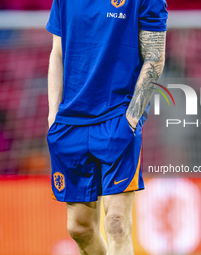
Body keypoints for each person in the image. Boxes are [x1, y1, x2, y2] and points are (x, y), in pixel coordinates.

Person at [46, 0, 167, 254]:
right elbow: (57, 52)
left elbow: (154, 57)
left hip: (117, 118)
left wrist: (131, 119)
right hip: (70, 123)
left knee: (116, 223)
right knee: (79, 228)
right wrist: (53, 116)